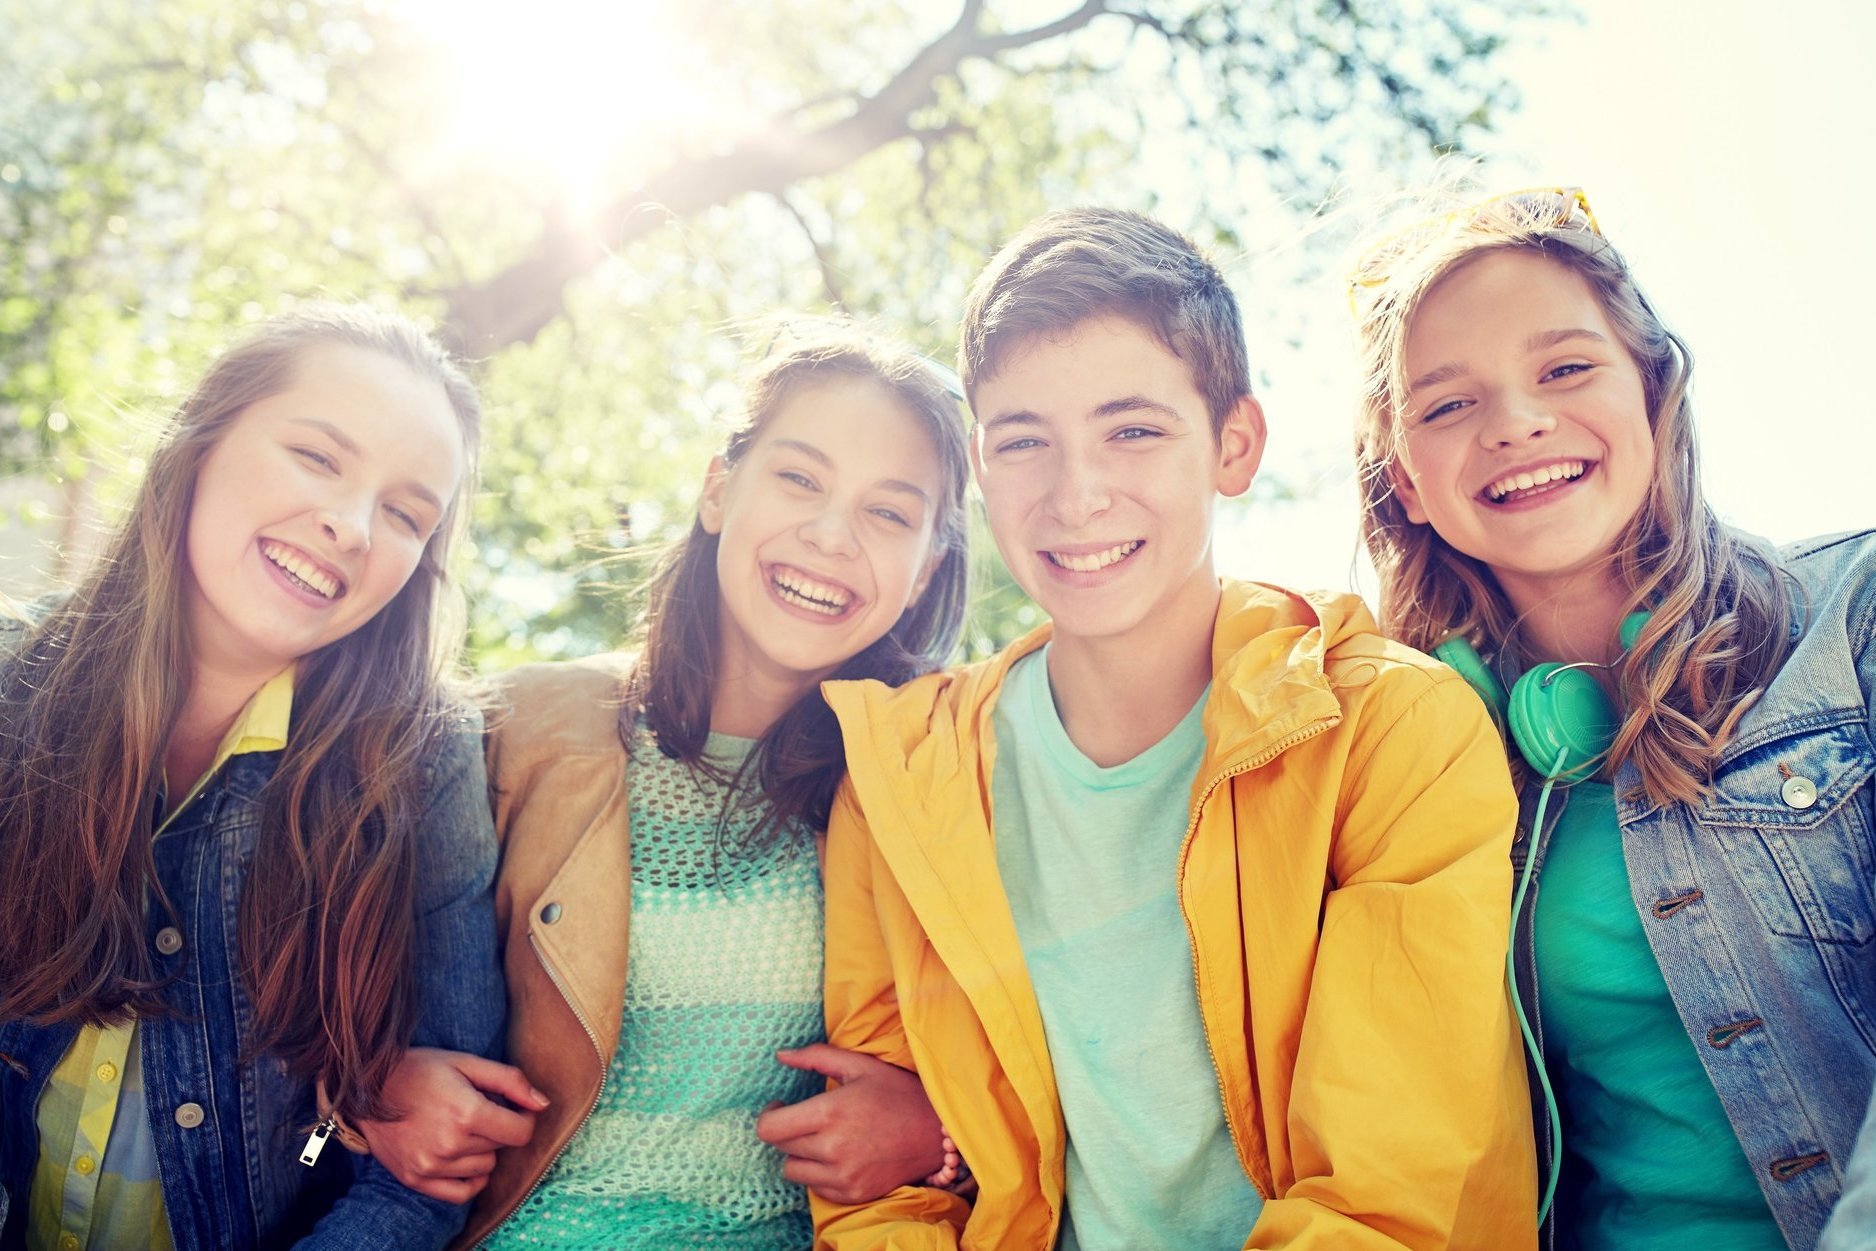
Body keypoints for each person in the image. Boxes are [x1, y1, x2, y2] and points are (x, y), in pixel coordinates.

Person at [807, 207, 1537, 1249]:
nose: (1077, 494)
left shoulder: (1389, 728)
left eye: (1133, 430)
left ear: (1233, 445)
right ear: (979, 465)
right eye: (1025, 443)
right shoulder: (903, 775)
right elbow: (880, 1194)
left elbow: (1390, 1193)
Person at [1350, 186, 1876, 1249]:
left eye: (1563, 368)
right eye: (1447, 404)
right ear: (1403, 478)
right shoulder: (1402, 761)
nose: (1515, 422)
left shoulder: (1852, 617)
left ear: (1652, 388)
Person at [367, 327, 972, 1250]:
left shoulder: (944, 782)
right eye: (800, 479)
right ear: (719, 487)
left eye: (889, 513)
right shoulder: (511, 732)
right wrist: (365, 1095)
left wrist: (941, 1136)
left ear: (927, 564)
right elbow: (288, 1063)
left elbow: (1057, 1076)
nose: (830, 534)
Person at [0, 304, 503, 1251]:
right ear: (202, 439)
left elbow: (408, 1176)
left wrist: (355, 1105)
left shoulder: (421, 765)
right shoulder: (13, 688)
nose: (351, 526)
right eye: (318, 456)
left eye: (404, 513)